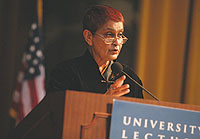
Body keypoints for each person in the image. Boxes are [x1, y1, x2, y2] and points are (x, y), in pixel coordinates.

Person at [46, 5, 143, 98]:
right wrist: (102, 102)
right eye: (109, 35)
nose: (117, 42)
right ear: (89, 37)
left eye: (120, 35)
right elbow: (61, 113)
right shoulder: (65, 74)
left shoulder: (130, 79)